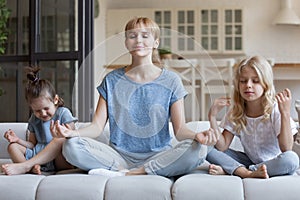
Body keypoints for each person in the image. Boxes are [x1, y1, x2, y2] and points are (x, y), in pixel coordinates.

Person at [51, 17, 217, 178]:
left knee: (199, 149)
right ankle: (126, 170)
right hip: (118, 157)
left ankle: (138, 172)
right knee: (71, 146)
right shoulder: (111, 80)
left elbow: (180, 131)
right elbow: (96, 127)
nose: (138, 40)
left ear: (156, 43)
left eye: (145, 36)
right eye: (132, 36)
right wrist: (71, 132)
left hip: (159, 156)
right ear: (126, 43)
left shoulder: (172, 81)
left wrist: (197, 136)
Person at [206, 55, 299, 178]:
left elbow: (286, 148)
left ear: (265, 84)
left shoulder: (274, 109)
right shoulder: (237, 110)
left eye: (255, 81)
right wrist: (212, 116)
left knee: (291, 159)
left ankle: (240, 171)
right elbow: (222, 146)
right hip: (248, 161)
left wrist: (285, 113)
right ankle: (247, 172)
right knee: (205, 147)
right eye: (243, 81)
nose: (248, 85)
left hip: (273, 162)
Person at [1, 66, 77, 175]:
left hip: (58, 157)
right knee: (12, 147)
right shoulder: (34, 119)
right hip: (37, 155)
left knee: (63, 143)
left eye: (46, 108)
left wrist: (60, 134)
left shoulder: (63, 113)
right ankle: (29, 168)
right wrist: (17, 140)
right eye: (37, 110)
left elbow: (72, 136)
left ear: (55, 100)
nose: (42, 114)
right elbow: (32, 144)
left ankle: (28, 166)